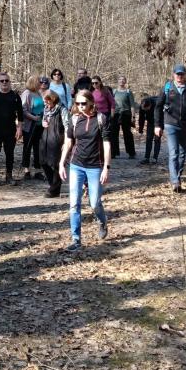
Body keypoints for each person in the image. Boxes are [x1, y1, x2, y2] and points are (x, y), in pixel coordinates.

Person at [58, 90, 110, 252]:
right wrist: (61, 163)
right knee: (74, 203)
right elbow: (68, 143)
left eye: (83, 103)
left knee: (94, 203)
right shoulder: (74, 119)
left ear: (91, 103)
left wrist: (106, 168)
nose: (80, 107)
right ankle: (76, 239)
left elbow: (107, 144)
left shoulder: (101, 119)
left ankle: (102, 221)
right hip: (76, 165)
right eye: (77, 103)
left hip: (95, 166)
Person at [154, 64, 186, 193]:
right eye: (177, 74)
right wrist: (157, 125)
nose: (179, 76)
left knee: (182, 154)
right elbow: (158, 107)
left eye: (182, 74)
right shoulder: (167, 88)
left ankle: (178, 177)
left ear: (185, 75)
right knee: (174, 153)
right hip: (170, 124)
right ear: (174, 75)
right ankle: (175, 182)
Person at [39, 90, 70, 198]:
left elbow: (67, 127)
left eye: (47, 101)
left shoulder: (62, 109)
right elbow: (43, 120)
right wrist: (43, 123)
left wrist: (66, 142)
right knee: (43, 162)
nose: (45, 104)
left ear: (52, 99)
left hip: (58, 139)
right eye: (44, 102)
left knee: (56, 164)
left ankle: (54, 189)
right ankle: (53, 185)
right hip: (46, 138)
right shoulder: (46, 109)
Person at [20, 75, 45, 181]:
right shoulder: (27, 93)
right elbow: (23, 110)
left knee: (38, 148)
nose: (41, 83)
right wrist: (34, 117)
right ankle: (26, 170)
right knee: (27, 146)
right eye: (39, 82)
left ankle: (37, 170)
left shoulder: (38, 93)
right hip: (30, 125)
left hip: (39, 125)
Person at [112, 76, 137, 160]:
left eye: (123, 80)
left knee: (127, 134)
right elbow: (111, 104)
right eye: (120, 79)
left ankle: (131, 153)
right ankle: (113, 153)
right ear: (117, 81)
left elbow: (132, 105)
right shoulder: (114, 91)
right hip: (115, 114)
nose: (121, 81)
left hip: (126, 114)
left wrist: (133, 117)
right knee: (114, 134)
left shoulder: (128, 92)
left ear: (125, 81)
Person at [137, 94, 161, 165]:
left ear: (150, 105)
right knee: (148, 139)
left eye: (147, 109)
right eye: (144, 110)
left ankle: (155, 158)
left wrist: (160, 127)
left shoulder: (157, 103)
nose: (145, 111)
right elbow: (141, 118)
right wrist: (140, 129)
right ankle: (146, 158)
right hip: (150, 122)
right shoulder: (142, 107)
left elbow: (162, 116)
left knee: (157, 139)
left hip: (159, 122)